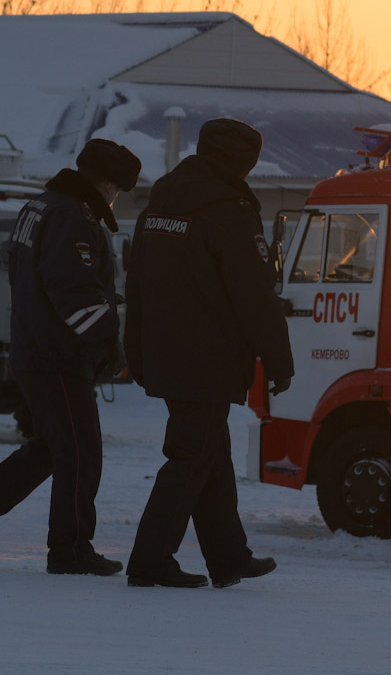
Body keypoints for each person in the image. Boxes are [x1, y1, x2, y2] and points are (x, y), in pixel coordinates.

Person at [0, 137, 141, 576]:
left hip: (36, 349)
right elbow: (71, 289)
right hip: (58, 356)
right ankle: (70, 550)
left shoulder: (40, 207)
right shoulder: (73, 217)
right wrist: (109, 338)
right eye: (118, 189)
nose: (116, 198)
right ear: (107, 182)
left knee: (55, 447)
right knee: (80, 452)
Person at [124, 118, 294, 589]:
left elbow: (135, 285)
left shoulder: (159, 206)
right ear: (242, 164)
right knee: (190, 457)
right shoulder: (229, 211)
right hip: (207, 359)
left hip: (166, 354)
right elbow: (254, 296)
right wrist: (278, 360)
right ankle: (150, 561)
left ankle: (228, 557)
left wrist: (135, 350)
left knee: (209, 454)